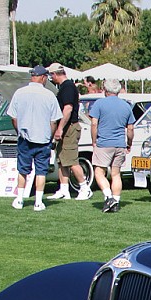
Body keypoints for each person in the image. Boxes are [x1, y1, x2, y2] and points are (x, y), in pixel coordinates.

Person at [7, 65, 61, 211]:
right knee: (41, 171)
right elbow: (54, 120)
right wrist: (50, 136)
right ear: (43, 77)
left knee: (23, 170)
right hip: (43, 138)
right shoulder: (49, 95)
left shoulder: (19, 93)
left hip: (24, 137)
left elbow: (13, 116)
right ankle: (38, 202)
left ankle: (19, 200)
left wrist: (19, 131)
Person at [88, 78, 135, 213]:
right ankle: (116, 200)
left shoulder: (99, 104)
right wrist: (129, 143)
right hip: (120, 144)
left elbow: (94, 124)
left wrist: (94, 140)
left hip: (104, 143)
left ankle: (109, 197)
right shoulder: (126, 106)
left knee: (99, 172)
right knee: (116, 174)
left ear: (105, 90)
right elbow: (130, 128)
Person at [47, 62, 92, 201]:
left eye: (51, 75)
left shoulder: (67, 87)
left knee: (72, 160)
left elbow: (68, 109)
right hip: (66, 127)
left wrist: (59, 128)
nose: (51, 78)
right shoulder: (64, 87)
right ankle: (64, 189)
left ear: (55, 74)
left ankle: (85, 188)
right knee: (62, 160)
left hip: (70, 127)